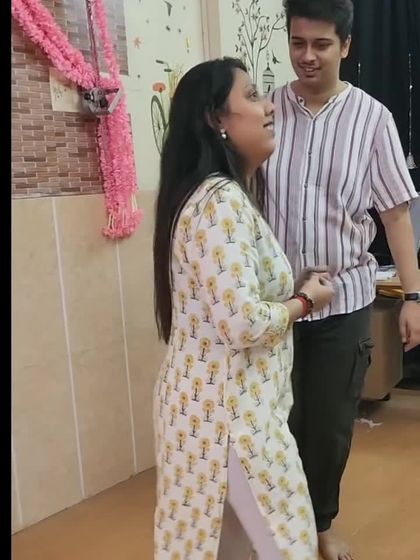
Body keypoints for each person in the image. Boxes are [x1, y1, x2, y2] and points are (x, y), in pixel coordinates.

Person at [152, 57, 335, 560]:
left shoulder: (217, 197)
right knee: (286, 543)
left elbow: (233, 300)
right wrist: (305, 301)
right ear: (217, 120)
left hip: (218, 411)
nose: (269, 106)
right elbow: (243, 322)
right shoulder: (220, 201)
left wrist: (290, 288)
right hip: (229, 419)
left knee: (219, 547)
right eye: (252, 96)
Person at [265, 1, 420, 559]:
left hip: (343, 301)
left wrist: (414, 296)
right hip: (277, 305)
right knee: (275, 423)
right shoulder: (266, 111)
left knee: (329, 427)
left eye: (321, 44)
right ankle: (275, 526)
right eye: (298, 42)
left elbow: (395, 214)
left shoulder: (372, 118)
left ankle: (319, 525)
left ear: (346, 46)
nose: (307, 56)